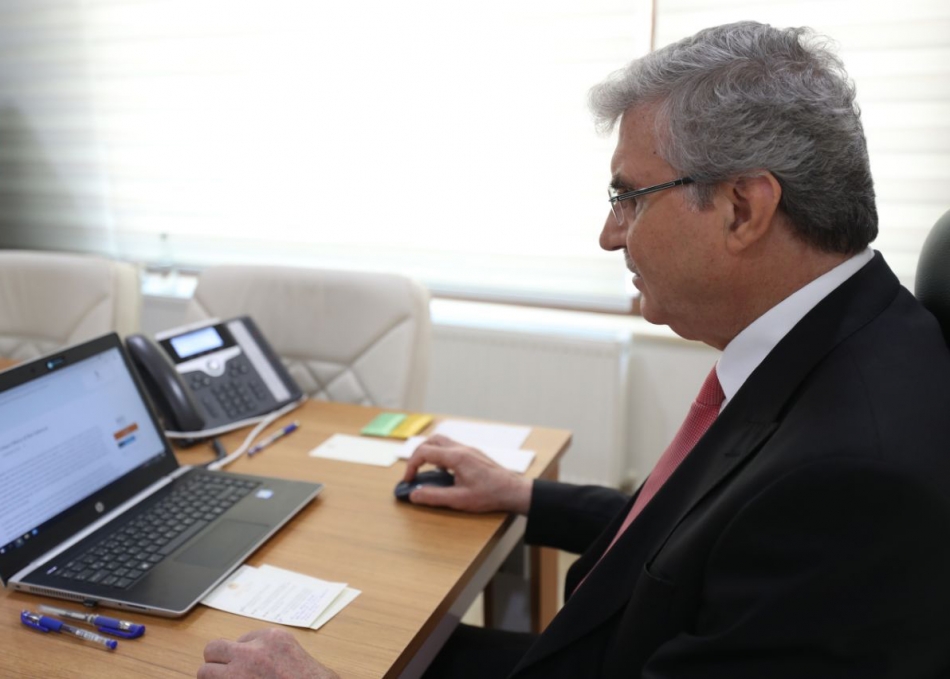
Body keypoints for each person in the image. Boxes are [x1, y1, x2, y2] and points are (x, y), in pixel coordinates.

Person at [197, 20, 950, 679]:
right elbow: (702, 531)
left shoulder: (853, 479)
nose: (610, 235)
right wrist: (526, 495)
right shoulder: (842, 338)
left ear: (742, 208)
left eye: (629, 197)